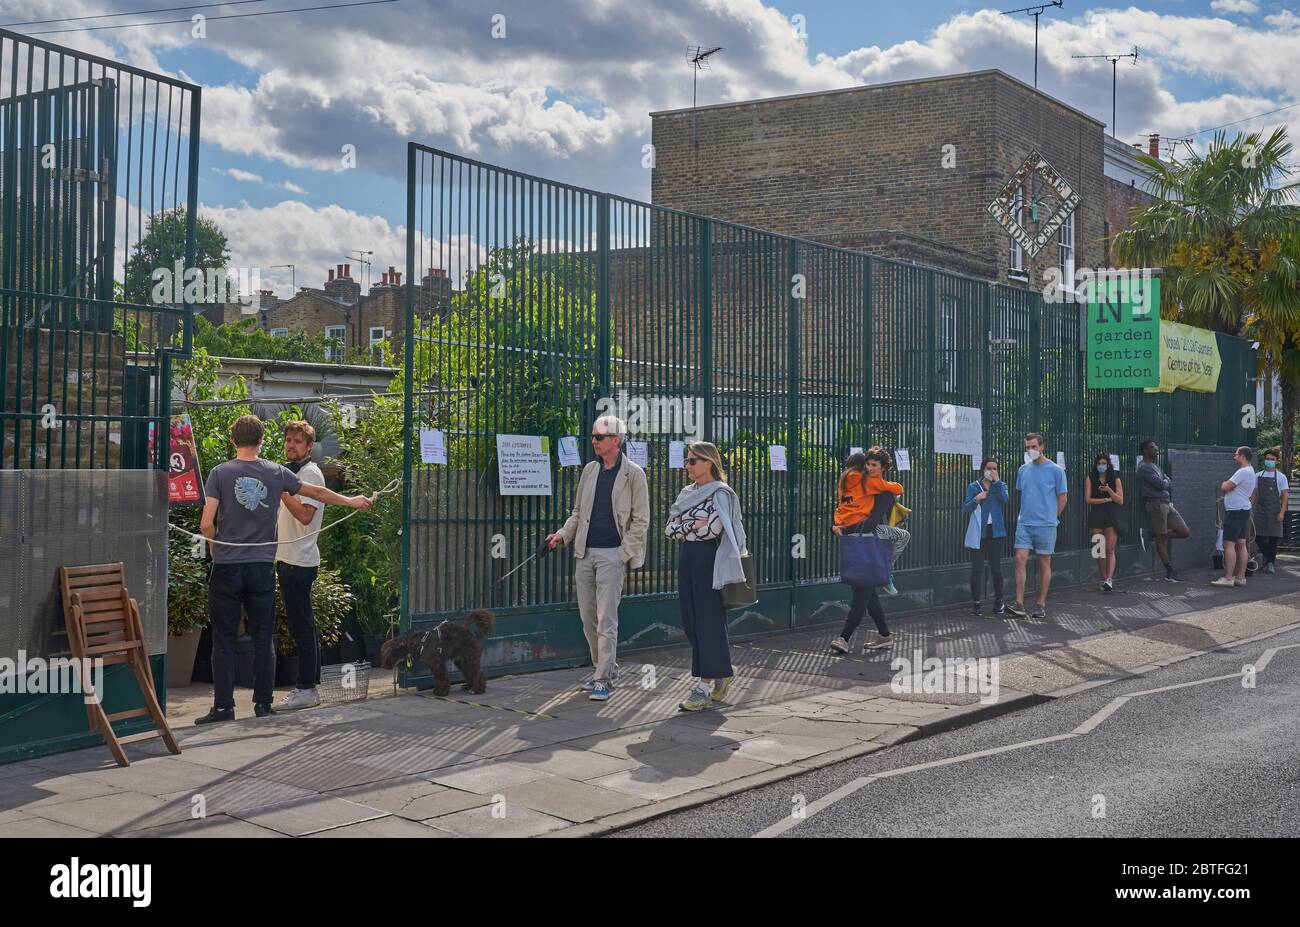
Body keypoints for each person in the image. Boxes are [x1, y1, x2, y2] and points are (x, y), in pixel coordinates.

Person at [197, 415, 372, 725]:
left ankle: (223, 707)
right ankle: (263, 704)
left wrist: (216, 550)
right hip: (263, 566)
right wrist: (353, 501)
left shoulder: (219, 473)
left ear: (233, 440)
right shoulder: (276, 472)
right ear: (262, 441)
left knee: (223, 640)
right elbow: (318, 495)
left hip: (228, 565)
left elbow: (207, 522)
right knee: (264, 637)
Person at [546, 414, 649, 702]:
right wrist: (562, 535)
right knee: (588, 618)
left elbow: (641, 521)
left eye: (599, 437)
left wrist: (622, 554)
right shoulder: (590, 471)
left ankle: (602, 678)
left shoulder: (634, 475)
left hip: (611, 555)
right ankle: (604, 669)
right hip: (584, 553)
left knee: (606, 619)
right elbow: (578, 513)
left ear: (616, 441)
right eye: (593, 437)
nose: (593, 441)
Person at [665, 442, 746, 711]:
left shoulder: (721, 493)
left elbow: (712, 530)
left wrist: (686, 527)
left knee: (708, 620)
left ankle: (702, 686)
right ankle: (721, 671)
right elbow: (669, 529)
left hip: (711, 560)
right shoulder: (687, 493)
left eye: (692, 461)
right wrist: (692, 525)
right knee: (690, 620)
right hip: (688, 558)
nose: (687, 466)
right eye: (687, 461)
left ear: (708, 463)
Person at [272, 420, 328, 712]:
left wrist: (283, 491)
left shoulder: (310, 474)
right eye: (288, 440)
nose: (291, 445)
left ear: (309, 446)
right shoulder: (290, 472)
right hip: (288, 558)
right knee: (300, 624)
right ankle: (307, 687)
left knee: (302, 626)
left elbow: (305, 516)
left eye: (297, 441)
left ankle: (307, 688)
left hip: (300, 561)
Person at [829, 447, 900, 653]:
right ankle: (885, 635)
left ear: (883, 467)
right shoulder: (864, 484)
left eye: (874, 465)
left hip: (867, 541)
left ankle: (844, 637)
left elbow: (870, 523)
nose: (869, 468)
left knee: (862, 592)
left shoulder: (878, 491)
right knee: (867, 594)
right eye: (867, 465)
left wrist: (842, 528)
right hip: (860, 541)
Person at [1007, 433, 1068, 620]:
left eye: (1033, 446)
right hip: (1025, 522)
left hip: (1046, 524)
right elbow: (1023, 494)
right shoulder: (1023, 470)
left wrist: (1052, 517)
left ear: (1042, 446)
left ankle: (1040, 604)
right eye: (1027, 447)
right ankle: (1019, 603)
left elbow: (1063, 498)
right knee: (1020, 558)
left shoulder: (1056, 471)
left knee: (1044, 562)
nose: (1030, 450)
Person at [1136, 439, 1189, 582]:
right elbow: (1161, 484)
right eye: (1153, 447)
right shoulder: (1144, 467)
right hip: (1156, 504)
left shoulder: (1155, 466)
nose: (1156, 448)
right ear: (1145, 451)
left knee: (1184, 531)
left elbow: (1168, 480)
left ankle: (1152, 533)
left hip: (1166, 503)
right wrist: (1166, 482)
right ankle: (1170, 571)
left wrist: (1165, 482)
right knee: (1161, 540)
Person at [963, 456, 1009, 617]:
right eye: (989, 468)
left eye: (995, 468)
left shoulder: (1000, 486)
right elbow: (966, 508)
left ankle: (999, 602)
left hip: (996, 532)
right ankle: (976, 604)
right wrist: (977, 498)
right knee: (977, 569)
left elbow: (1005, 499)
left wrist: (996, 482)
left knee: (996, 568)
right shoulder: (974, 487)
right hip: (979, 532)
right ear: (983, 470)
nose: (992, 471)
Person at [1212, 446, 1257, 588]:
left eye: (1236, 455)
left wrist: (1225, 483)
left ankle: (1228, 577)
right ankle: (1241, 577)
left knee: (1228, 544)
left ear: (1243, 456)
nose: (1234, 457)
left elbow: (1225, 487)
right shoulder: (1251, 471)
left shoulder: (1242, 472)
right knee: (1241, 544)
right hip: (1243, 510)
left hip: (1235, 512)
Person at [1084, 453, 1124, 592]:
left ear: (1108, 465)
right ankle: (1104, 578)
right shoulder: (1090, 479)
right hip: (1096, 515)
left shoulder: (1115, 479)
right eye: (1099, 464)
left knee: (1110, 549)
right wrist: (1105, 499)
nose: (1101, 466)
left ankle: (1109, 579)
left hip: (1111, 515)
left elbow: (1120, 500)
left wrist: (1108, 491)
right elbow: (1088, 499)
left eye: (1104, 463)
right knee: (1098, 549)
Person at [1252, 449, 1289, 575]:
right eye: (1267, 459)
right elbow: (1255, 494)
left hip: (1275, 510)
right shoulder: (1257, 475)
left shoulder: (1281, 477)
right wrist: (1250, 509)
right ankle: (1269, 559)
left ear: (1277, 461)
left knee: (1273, 537)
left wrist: (1282, 513)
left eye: (1272, 460)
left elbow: (1285, 496)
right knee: (1256, 536)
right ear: (1264, 460)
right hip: (1260, 510)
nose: (1269, 461)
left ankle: (1270, 563)